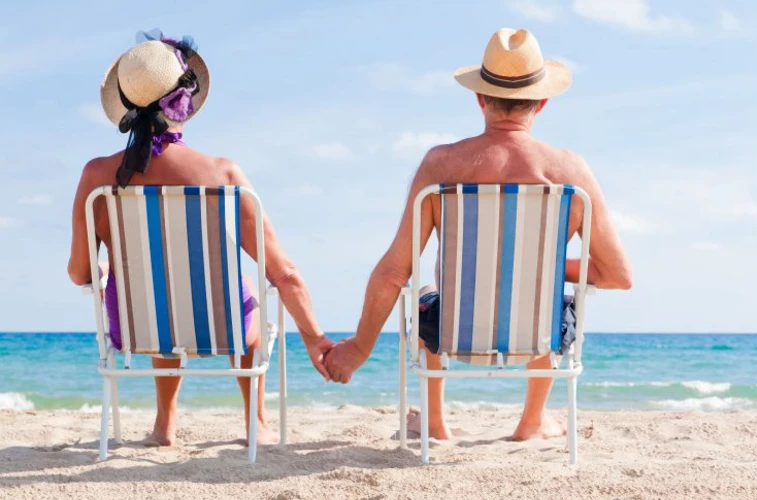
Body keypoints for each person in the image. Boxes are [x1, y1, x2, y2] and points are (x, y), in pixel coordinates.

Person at [324, 28, 632, 440]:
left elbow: (395, 271)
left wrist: (359, 348)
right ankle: (532, 421)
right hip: (539, 336)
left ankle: (433, 425)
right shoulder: (570, 172)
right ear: (541, 102)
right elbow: (617, 275)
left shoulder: (441, 165)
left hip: (452, 332)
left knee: (427, 291)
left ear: (479, 98)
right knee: (553, 298)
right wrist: (546, 270)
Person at [67, 31, 333, 446]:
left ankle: (163, 426)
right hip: (222, 327)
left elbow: (79, 273)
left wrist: (105, 266)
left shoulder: (96, 176)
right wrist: (317, 339)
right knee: (244, 295)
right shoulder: (222, 174)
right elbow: (284, 273)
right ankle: (255, 422)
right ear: (184, 102)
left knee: (156, 289)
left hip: (138, 327)